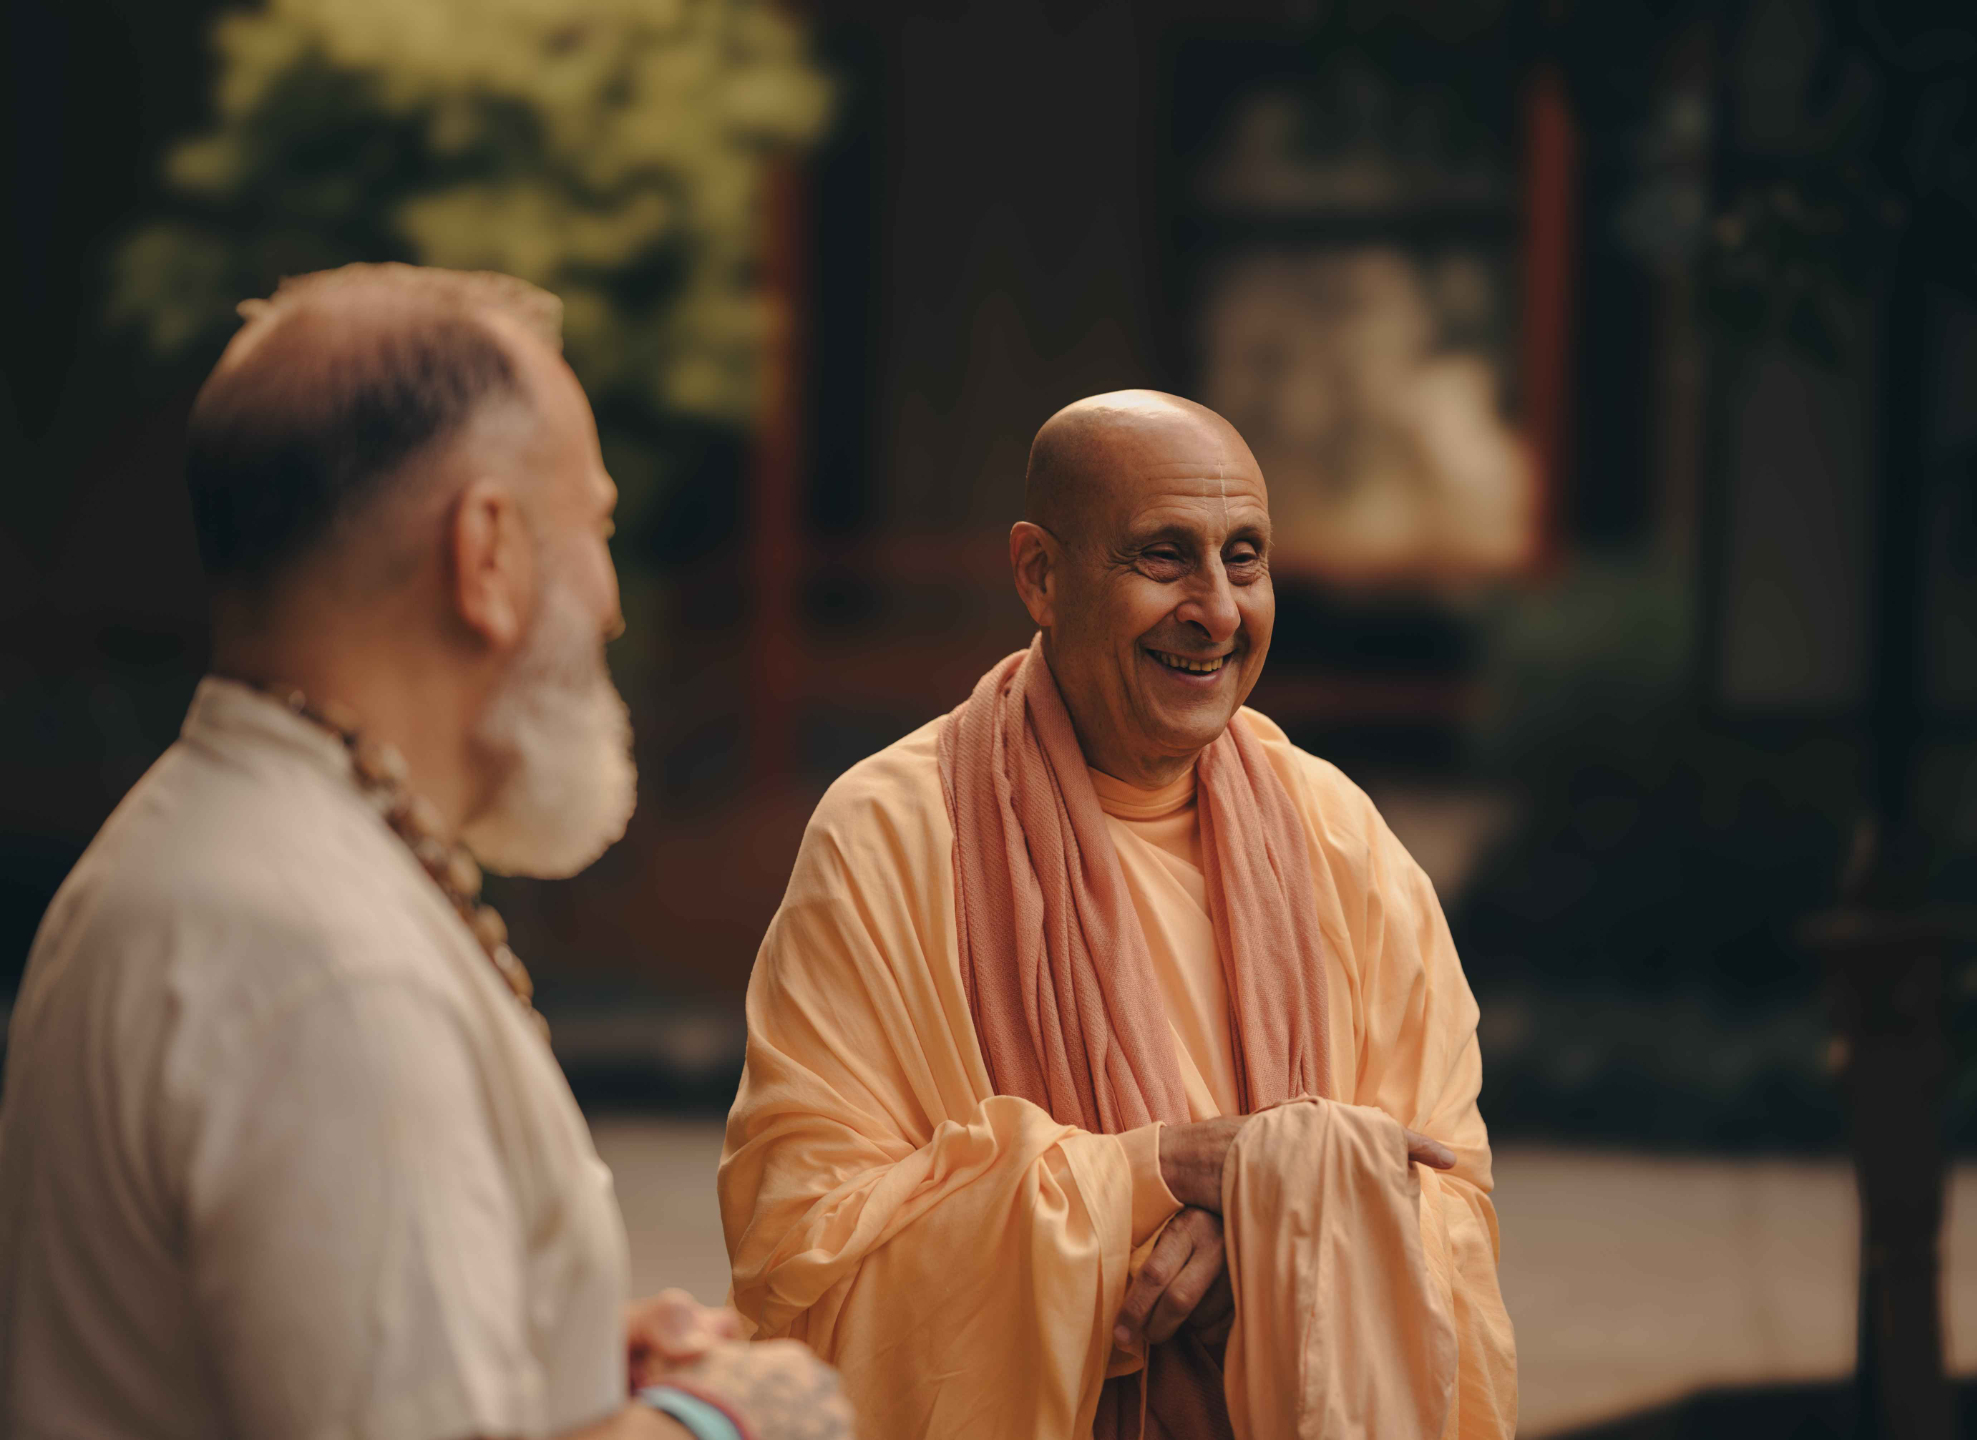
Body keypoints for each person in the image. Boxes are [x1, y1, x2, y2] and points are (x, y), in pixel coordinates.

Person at [0, 264, 852, 1440]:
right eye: (593, 527)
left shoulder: (225, 853)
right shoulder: (323, 966)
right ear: (487, 554)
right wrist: (717, 1423)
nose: (609, 603)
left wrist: (557, 1350)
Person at [719, 390, 1516, 1438]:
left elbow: (1450, 1200)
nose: (1217, 611)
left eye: (1244, 557)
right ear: (1039, 576)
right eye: (1163, 556)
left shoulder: (1339, 837)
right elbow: (804, 1254)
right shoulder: (896, 837)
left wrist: (1273, 1224)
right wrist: (1150, 1178)